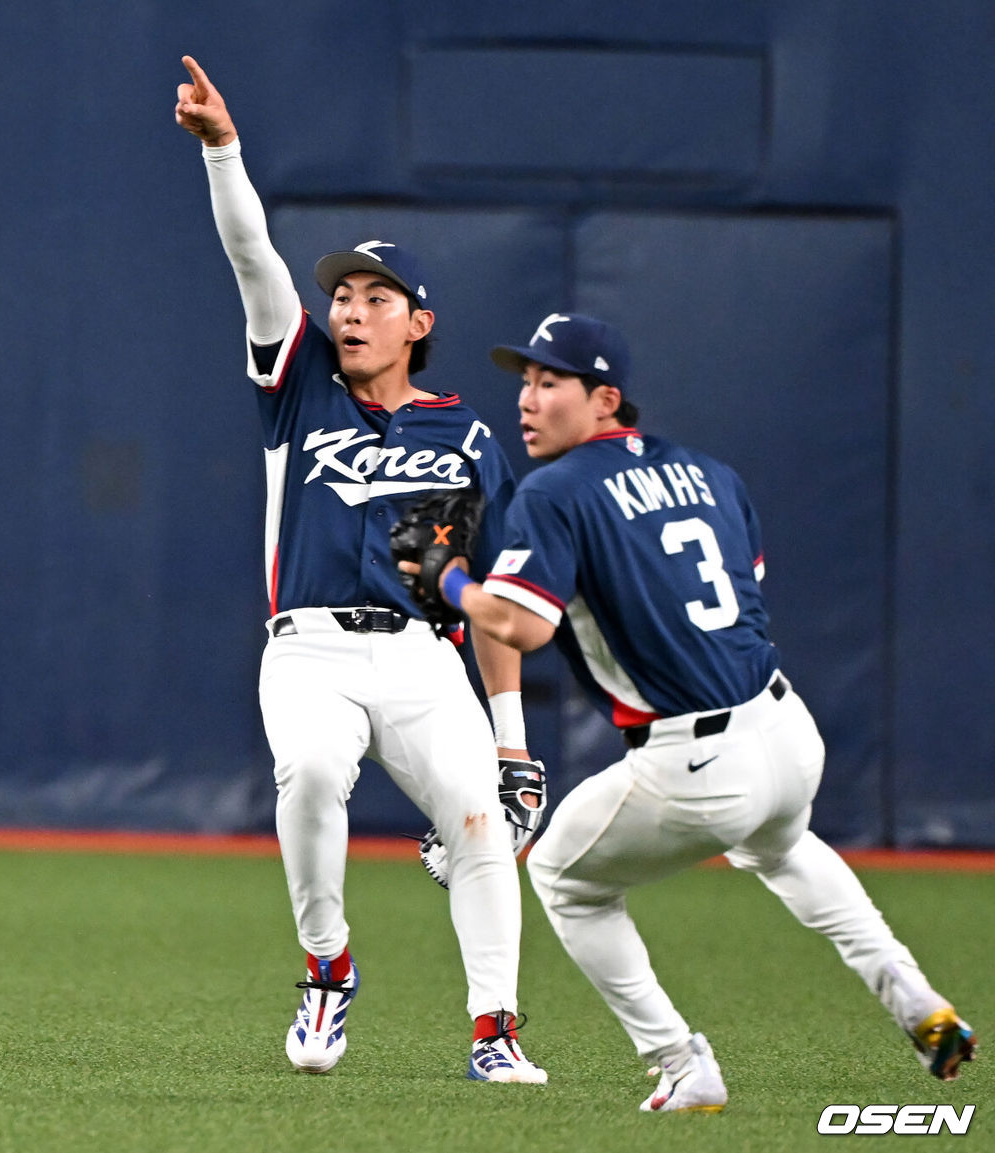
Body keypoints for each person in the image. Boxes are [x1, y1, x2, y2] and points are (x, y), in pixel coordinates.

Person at [399, 311, 977, 1111]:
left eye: (550, 382)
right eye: (525, 381)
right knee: (783, 847)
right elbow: (745, 585)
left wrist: (451, 579)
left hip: (695, 756)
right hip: (786, 728)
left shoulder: (556, 490)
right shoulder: (709, 472)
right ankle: (919, 1003)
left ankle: (681, 1062)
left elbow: (523, 627)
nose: (527, 400)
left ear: (605, 398)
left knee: (564, 876)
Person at [173, 55, 546, 1085]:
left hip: (425, 657)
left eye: (377, 297)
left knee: (478, 820)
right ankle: (328, 966)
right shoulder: (297, 385)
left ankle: (495, 1030)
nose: (349, 308)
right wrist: (223, 151)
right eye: (341, 293)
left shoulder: (469, 435)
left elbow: (497, 602)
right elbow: (252, 258)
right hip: (310, 650)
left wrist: (512, 739)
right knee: (309, 774)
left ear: (419, 325)